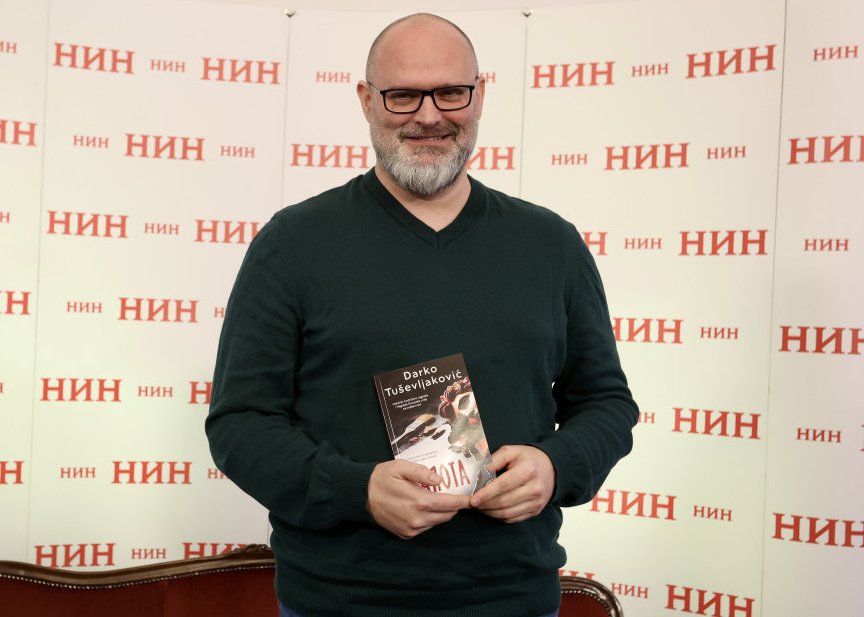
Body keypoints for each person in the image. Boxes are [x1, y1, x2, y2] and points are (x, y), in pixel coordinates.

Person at [205, 12, 638, 617]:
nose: (429, 116)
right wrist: (357, 491)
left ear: (479, 95)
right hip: (338, 603)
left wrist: (555, 465)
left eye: (450, 92)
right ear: (366, 100)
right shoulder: (293, 244)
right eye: (403, 95)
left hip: (513, 597)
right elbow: (240, 424)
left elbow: (607, 404)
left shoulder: (551, 245)